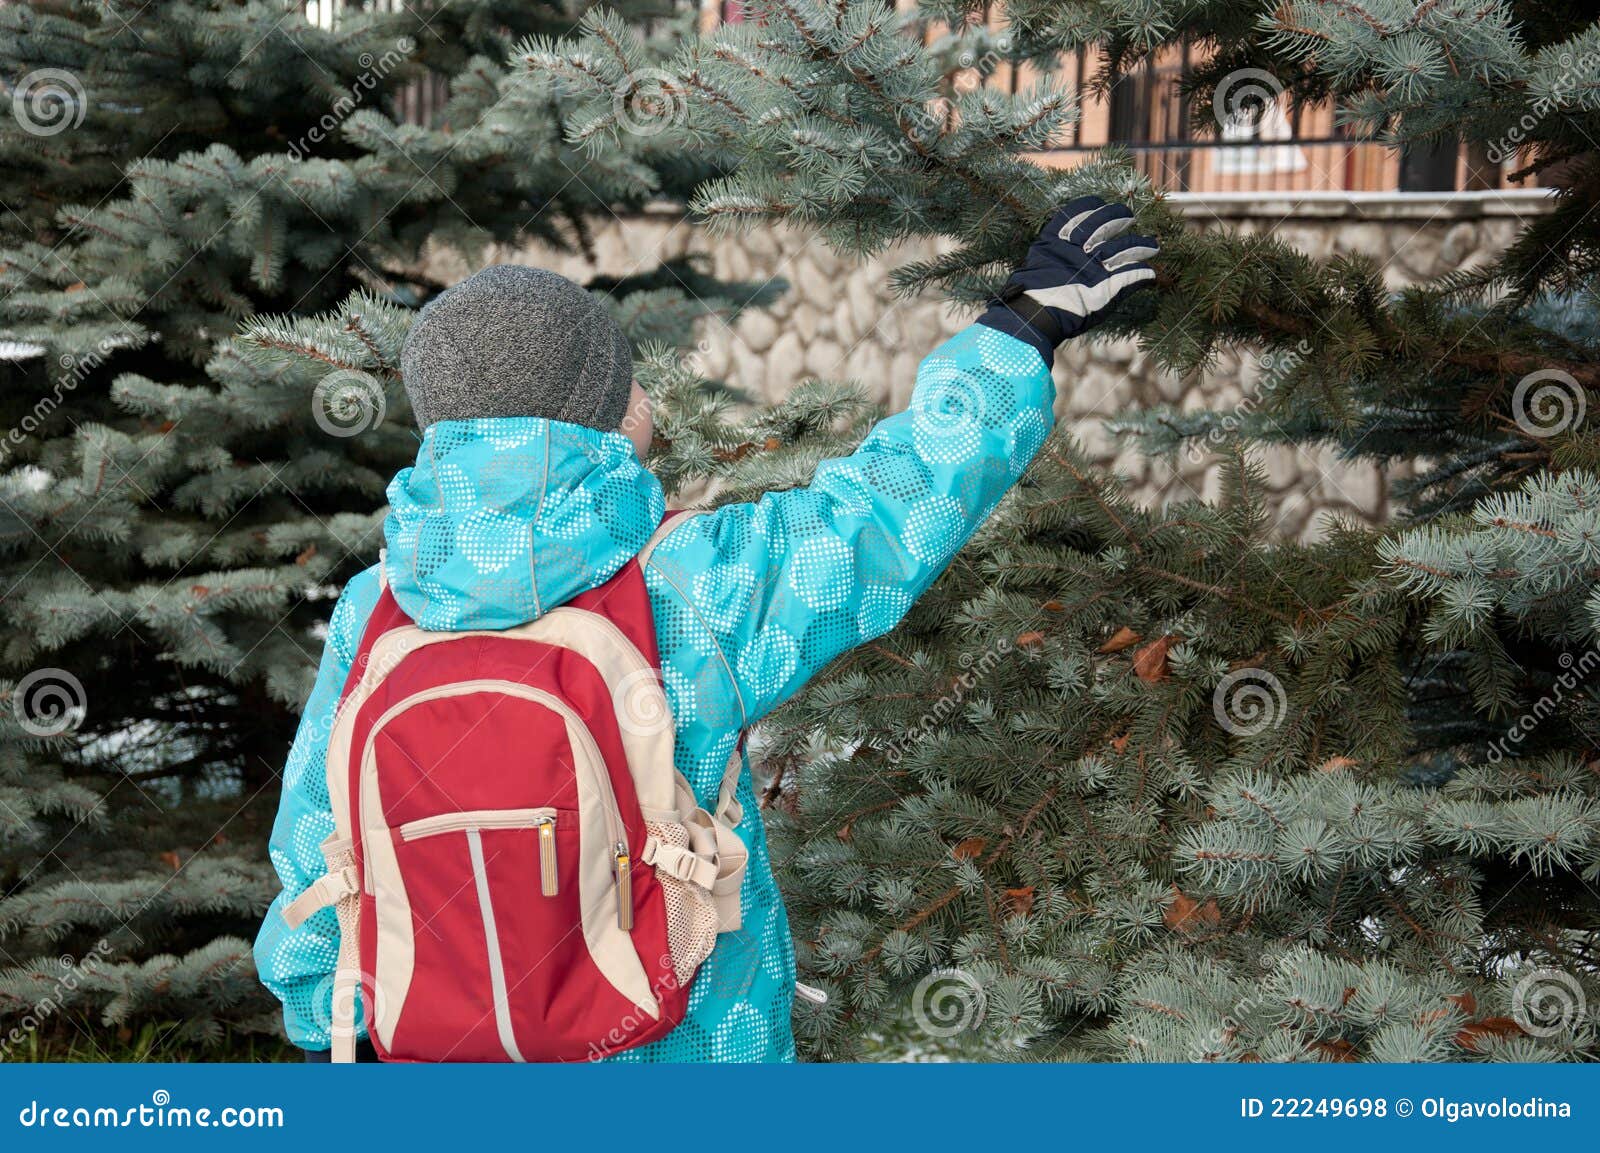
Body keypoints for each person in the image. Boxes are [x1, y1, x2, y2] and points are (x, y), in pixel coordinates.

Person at [253, 197, 1158, 1062]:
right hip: (683, 1049)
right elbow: (885, 514)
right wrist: (1026, 326)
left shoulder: (376, 605)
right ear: (608, 413)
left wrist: (329, 1022)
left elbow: (314, 842)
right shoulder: (693, 582)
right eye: (626, 378)